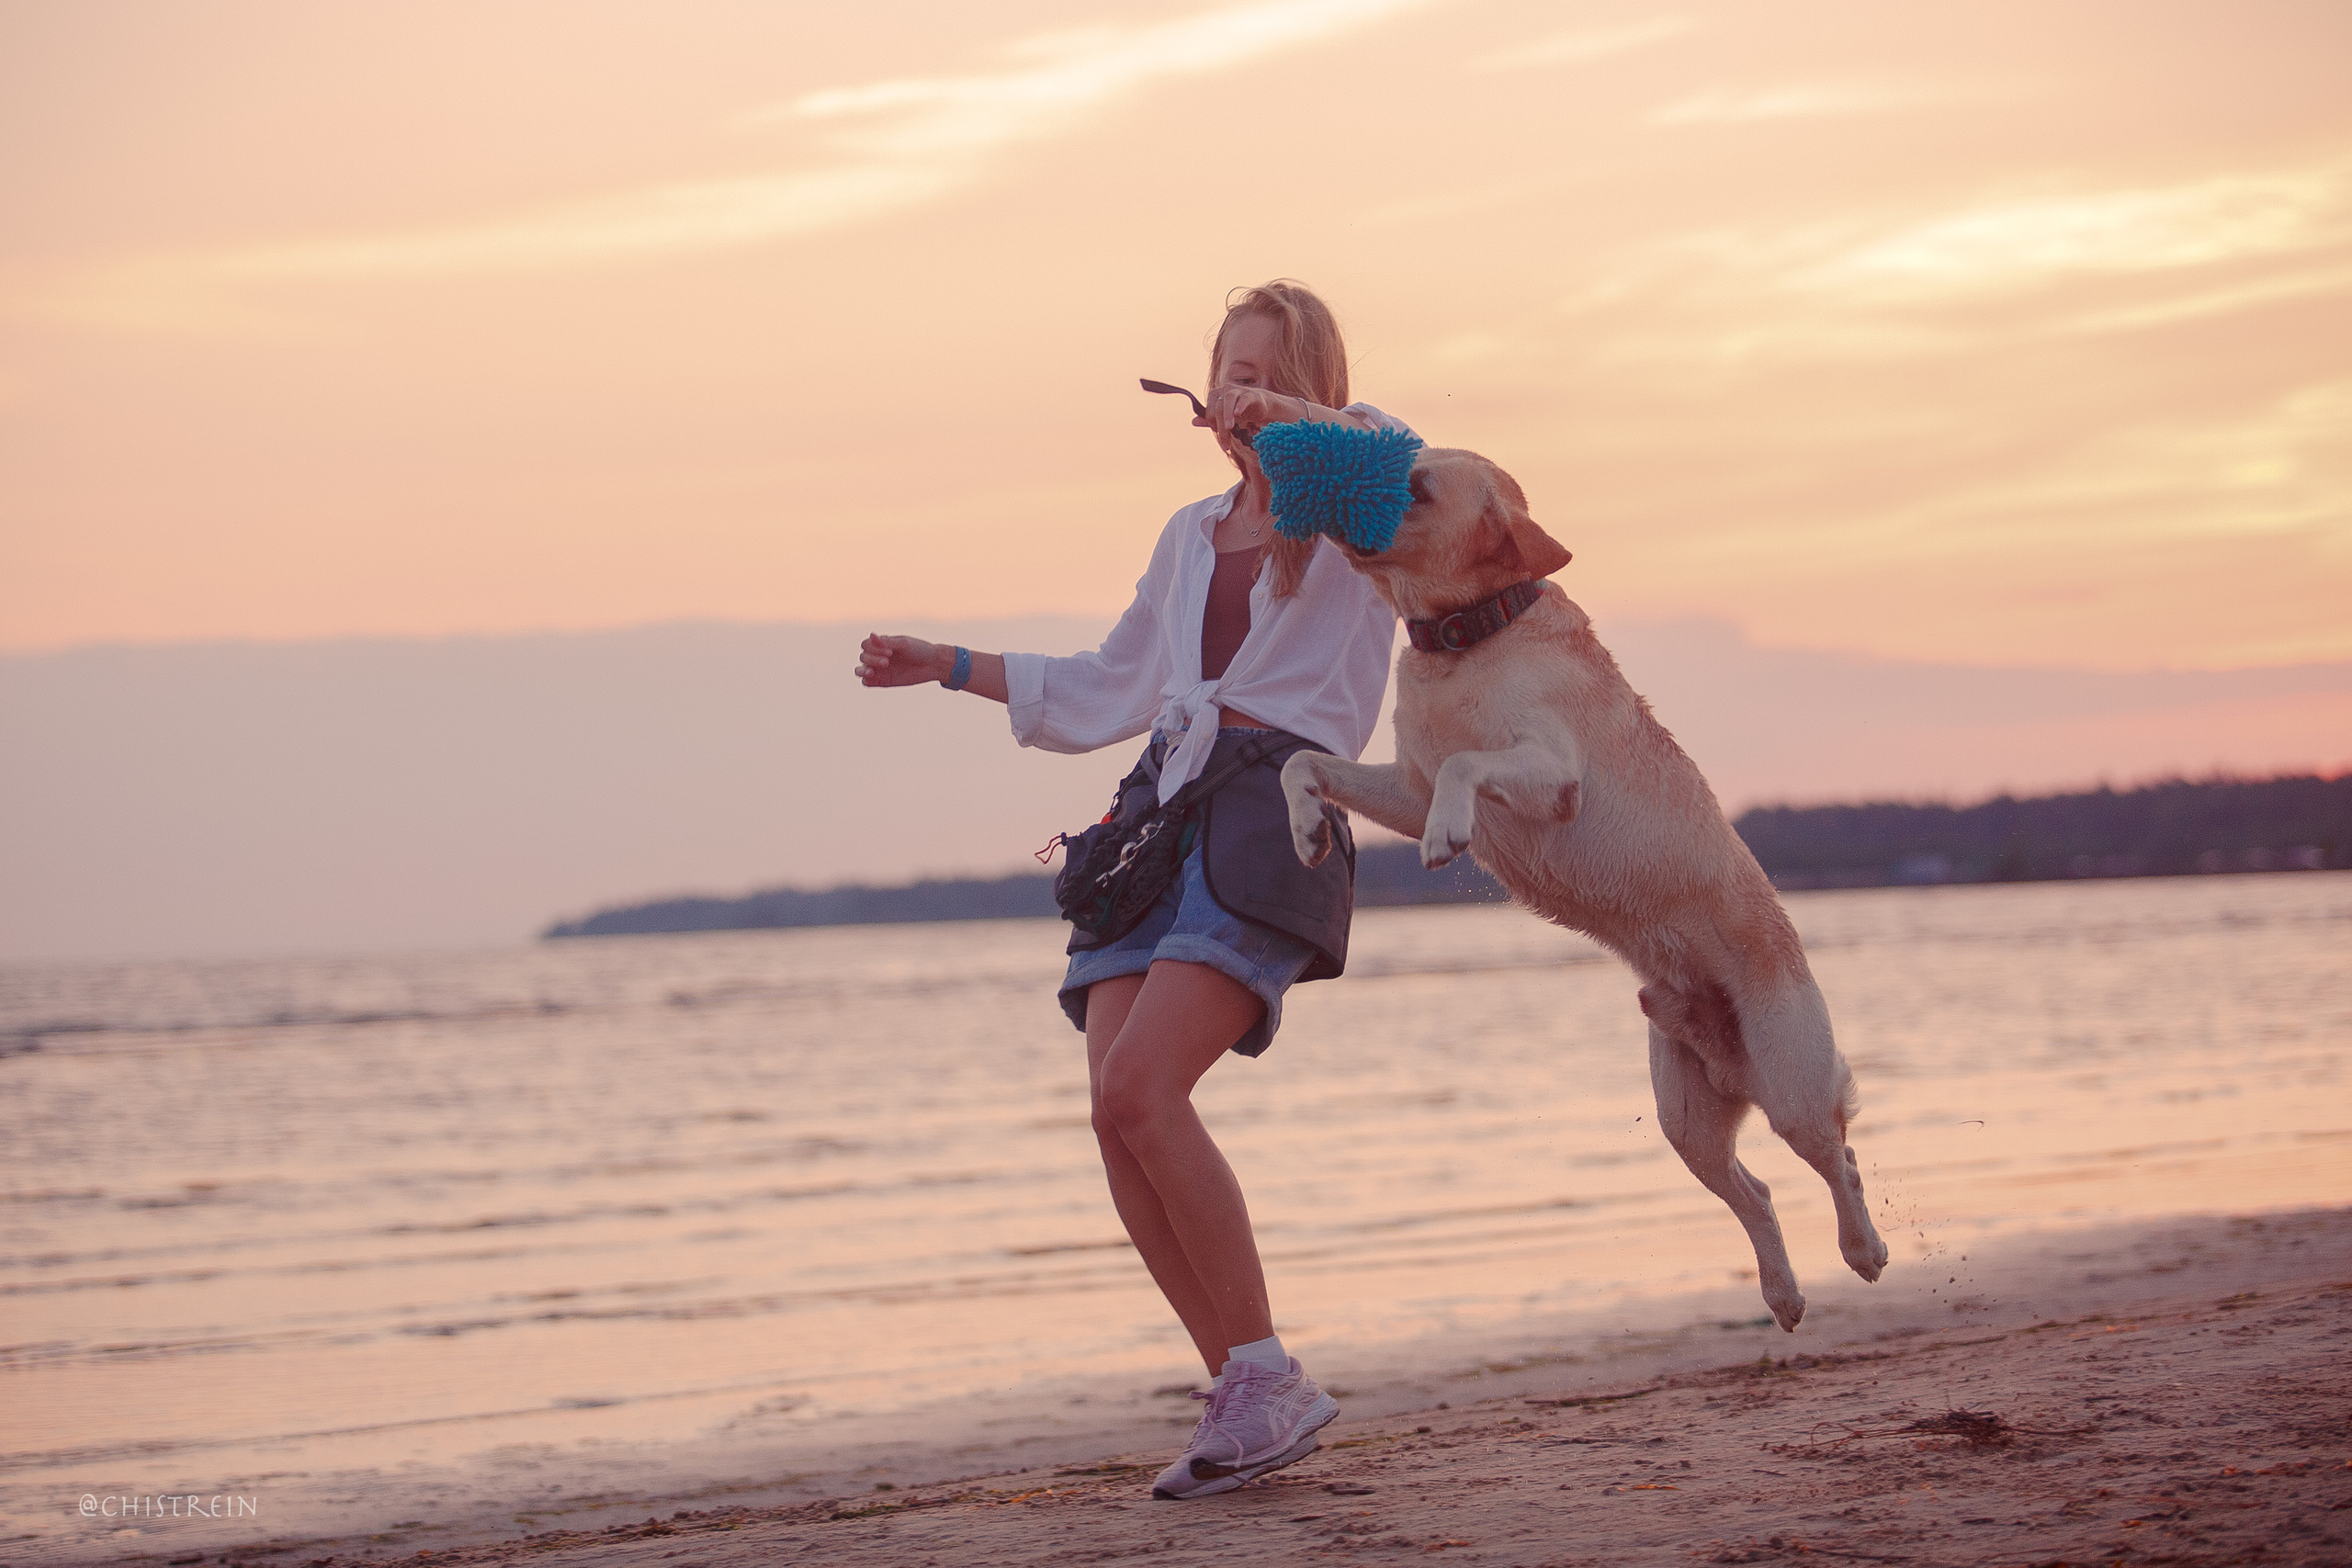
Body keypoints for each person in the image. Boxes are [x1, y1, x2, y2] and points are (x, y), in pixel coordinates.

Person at [854, 281, 1408, 1500]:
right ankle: (1249, 1386)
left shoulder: (1358, 512)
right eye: (1229, 371)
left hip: (1275, 811)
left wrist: (1290, 421)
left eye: (1268, 370)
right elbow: (1109, 685)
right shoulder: (1184, 536)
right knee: (1115, 1110)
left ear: (1311, 383)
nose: (1242, 392)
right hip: (1161, 814)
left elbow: (1385, 453)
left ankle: (1263, 1372)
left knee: (1150, 1089)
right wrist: (946, 664)